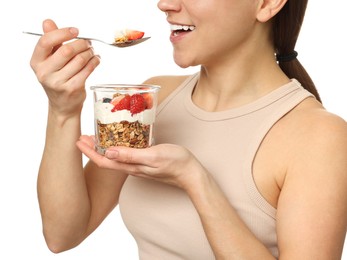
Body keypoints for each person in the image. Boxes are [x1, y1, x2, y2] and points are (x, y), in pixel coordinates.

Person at [29, 0, 347, 259]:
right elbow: (62, 234)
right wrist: (63, 110)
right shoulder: (157, 98)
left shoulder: (320, 137)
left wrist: (195, 180)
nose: (164, 4)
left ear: (266, 4)